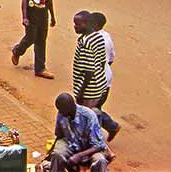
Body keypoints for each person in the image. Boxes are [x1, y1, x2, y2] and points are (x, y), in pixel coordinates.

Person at [72, 10, 120, 141]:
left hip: (90, 85)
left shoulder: (87, 43)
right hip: (102, 79)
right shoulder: (101, 37)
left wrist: (81, 92)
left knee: (88, 113)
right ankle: (109, 127)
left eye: (78, 24)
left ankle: (95, 140)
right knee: (94, 110)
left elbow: (88, 71)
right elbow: (109, 60)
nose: (75, 27)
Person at [11, 0, 56, 79]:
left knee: (41, 40)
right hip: (31, 15)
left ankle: (40, 68)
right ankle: (17, 50)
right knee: (31, 38)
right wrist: (24, 16)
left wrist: (52, 15)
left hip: (43, 15)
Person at [49, 93, 109, 172]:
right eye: (60, 111)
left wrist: (79, 155)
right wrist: (51, 154)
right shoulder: (61, 113)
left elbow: (98, 145)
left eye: (63, 111)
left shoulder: (88, 116)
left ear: (70, 108)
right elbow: (59, 136)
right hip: (72, 145)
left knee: (100, 160)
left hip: (90, 149)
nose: (61, 113)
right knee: (57, 155)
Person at [90, 12, 115, 117]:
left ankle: (96, 131)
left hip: (96, 81)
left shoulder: (92, 40)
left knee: (91, 111)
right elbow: (111, 58)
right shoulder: (107, 36)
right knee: (96, 108)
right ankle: (111, 126)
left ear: (95, 25)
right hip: (107, 77)